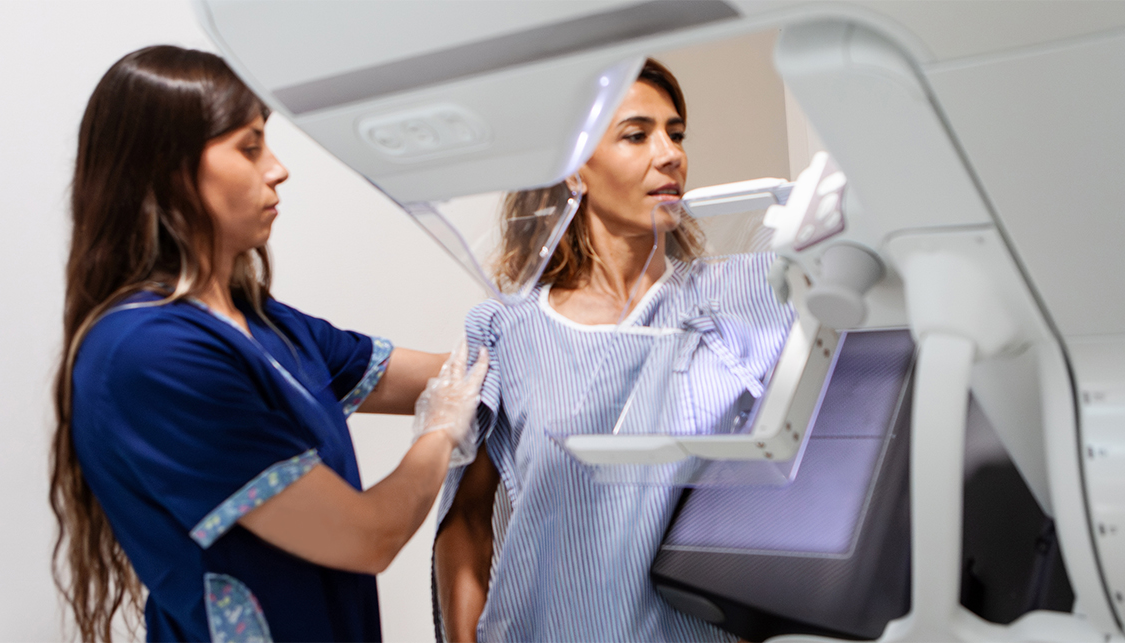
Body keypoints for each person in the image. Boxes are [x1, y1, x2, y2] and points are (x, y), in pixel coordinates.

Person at [50, 45, 487, 643]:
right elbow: (365, 537)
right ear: (169, 168)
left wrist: (549, 334)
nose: (277, 168)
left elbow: (444, 374)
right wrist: (441, 435)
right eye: (250, 146)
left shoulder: (263, 325)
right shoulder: (149, 354)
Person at [433, 59, 795, 642]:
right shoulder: (507, 330)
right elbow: (466, 518)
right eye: (637, 135)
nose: (670, 153)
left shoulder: (741, 295)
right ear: (574, 169)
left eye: (675, 134)